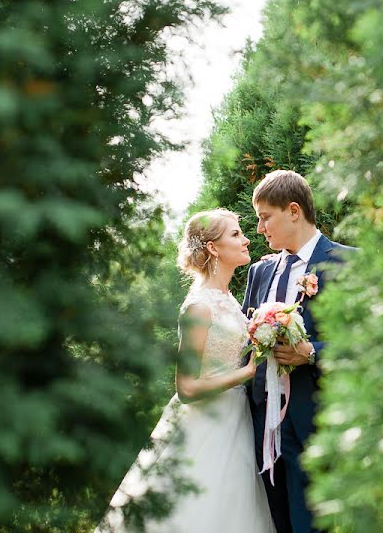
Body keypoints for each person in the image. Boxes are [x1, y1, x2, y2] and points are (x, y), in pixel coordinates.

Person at [96, 208, 276, 533]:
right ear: (212, 247)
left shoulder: (230, 300)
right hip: (206, 425)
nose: (247, 239)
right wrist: (247, 373)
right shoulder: (199, 306)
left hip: (237, 419)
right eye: (236, 234)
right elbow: (187, 388)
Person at [242, 170, 355, 533]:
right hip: (264, 422)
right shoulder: (260, 273)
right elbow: (246, 341)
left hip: (319, 415)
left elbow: (369, 343)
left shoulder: (347, 263)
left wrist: (313, 353)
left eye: (265, 217)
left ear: (294, 211)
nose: (260, 229)